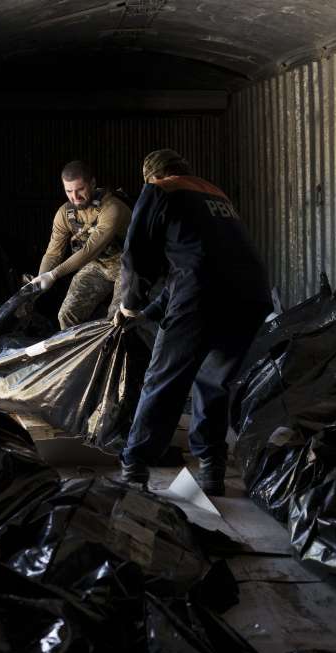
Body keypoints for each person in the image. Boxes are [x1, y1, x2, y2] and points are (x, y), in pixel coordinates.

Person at [114, 149, 272, 496]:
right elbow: (197, 261)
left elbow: (137, 256)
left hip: (203, 296)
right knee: (214, 381)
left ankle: (134, 468)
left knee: (164, 381)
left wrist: (128, 305)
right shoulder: (212, 193)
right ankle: (212, 470)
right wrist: (151, 312)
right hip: (251, 296)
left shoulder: (159, 190)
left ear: (152, 175)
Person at [30, 160, 131, 329]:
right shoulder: (65, 214)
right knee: (67, 314)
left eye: (80, 190)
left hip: (128, 266)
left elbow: (90, 250)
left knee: (117, 318)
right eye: (69, 191)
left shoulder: (112, 208)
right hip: (98, 266)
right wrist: (40, 280)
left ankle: (118, 354)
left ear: (92, 183)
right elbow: (53, 253)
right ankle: (79, 355)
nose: (74, 197)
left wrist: (54, 275)